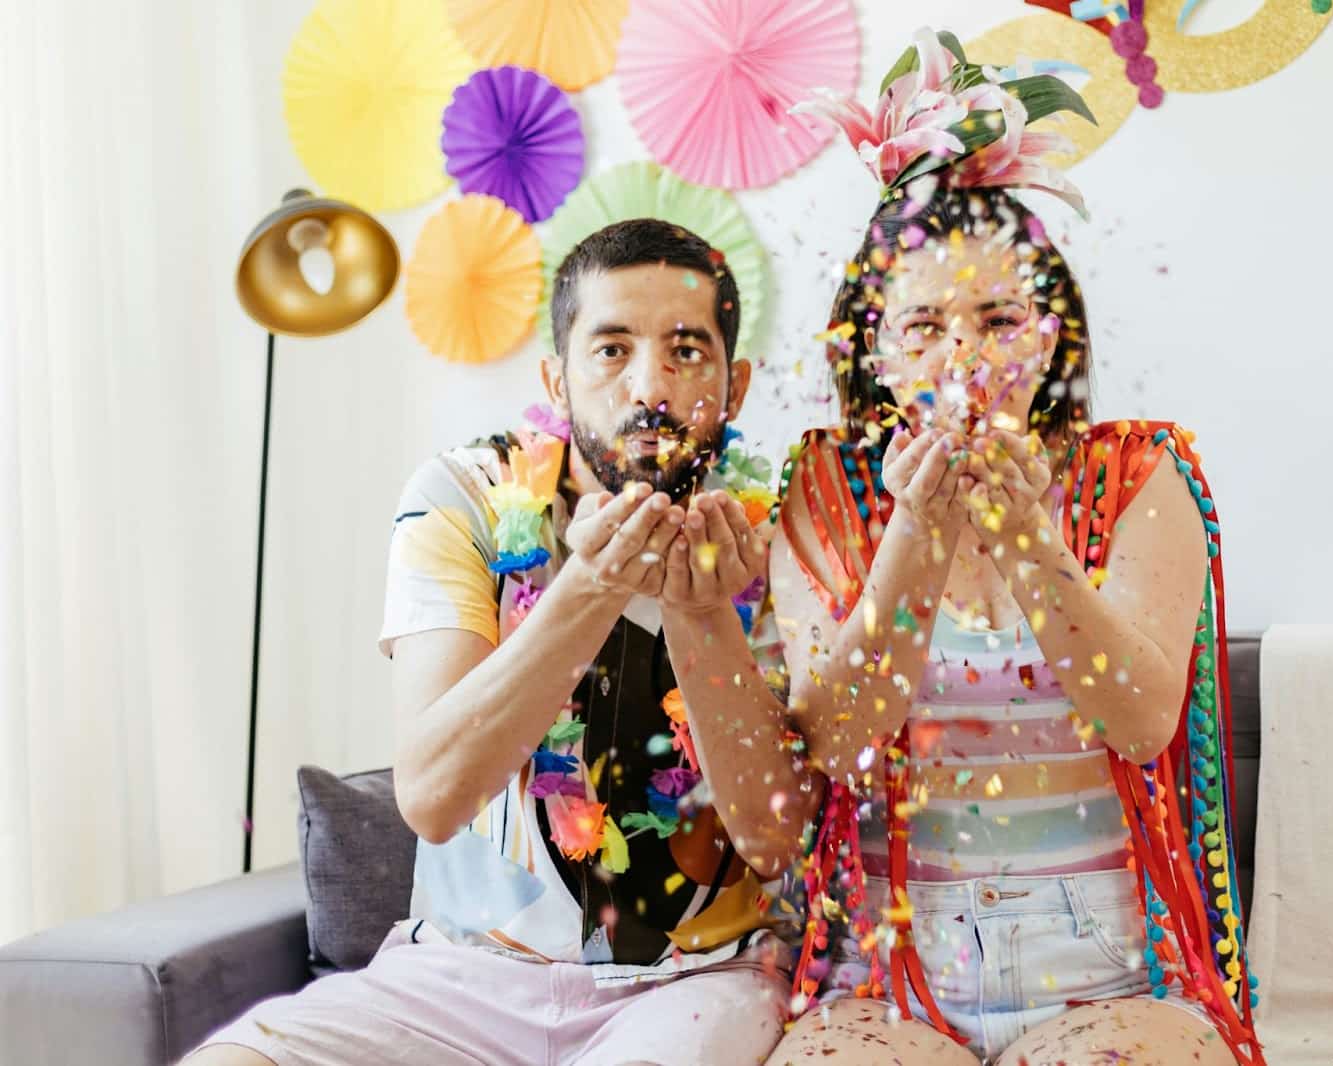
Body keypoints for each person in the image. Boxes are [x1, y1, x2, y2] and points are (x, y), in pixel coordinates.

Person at [185, 219, 815, 1066]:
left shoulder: (779, 527)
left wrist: (703, 613)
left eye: (686, 352)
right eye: (612, 349)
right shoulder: (466, 497)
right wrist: (590, 589)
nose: (649, 387)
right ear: (557, 377)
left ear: (733, 387)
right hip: (452, 983)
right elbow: (435, 796)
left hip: (697, 986)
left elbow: (779, 842)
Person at [763, 30, 1266, 1066]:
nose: (964, 361)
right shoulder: (828, 486)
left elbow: (1137, 720)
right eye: (924, 329)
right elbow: (839, 747)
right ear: (872, 347)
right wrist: (917, 531)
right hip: (887, 988)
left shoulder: (1140, 473)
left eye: (998, 319)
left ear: (1050, 337)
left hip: (1113, 981)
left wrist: (1030, 540)